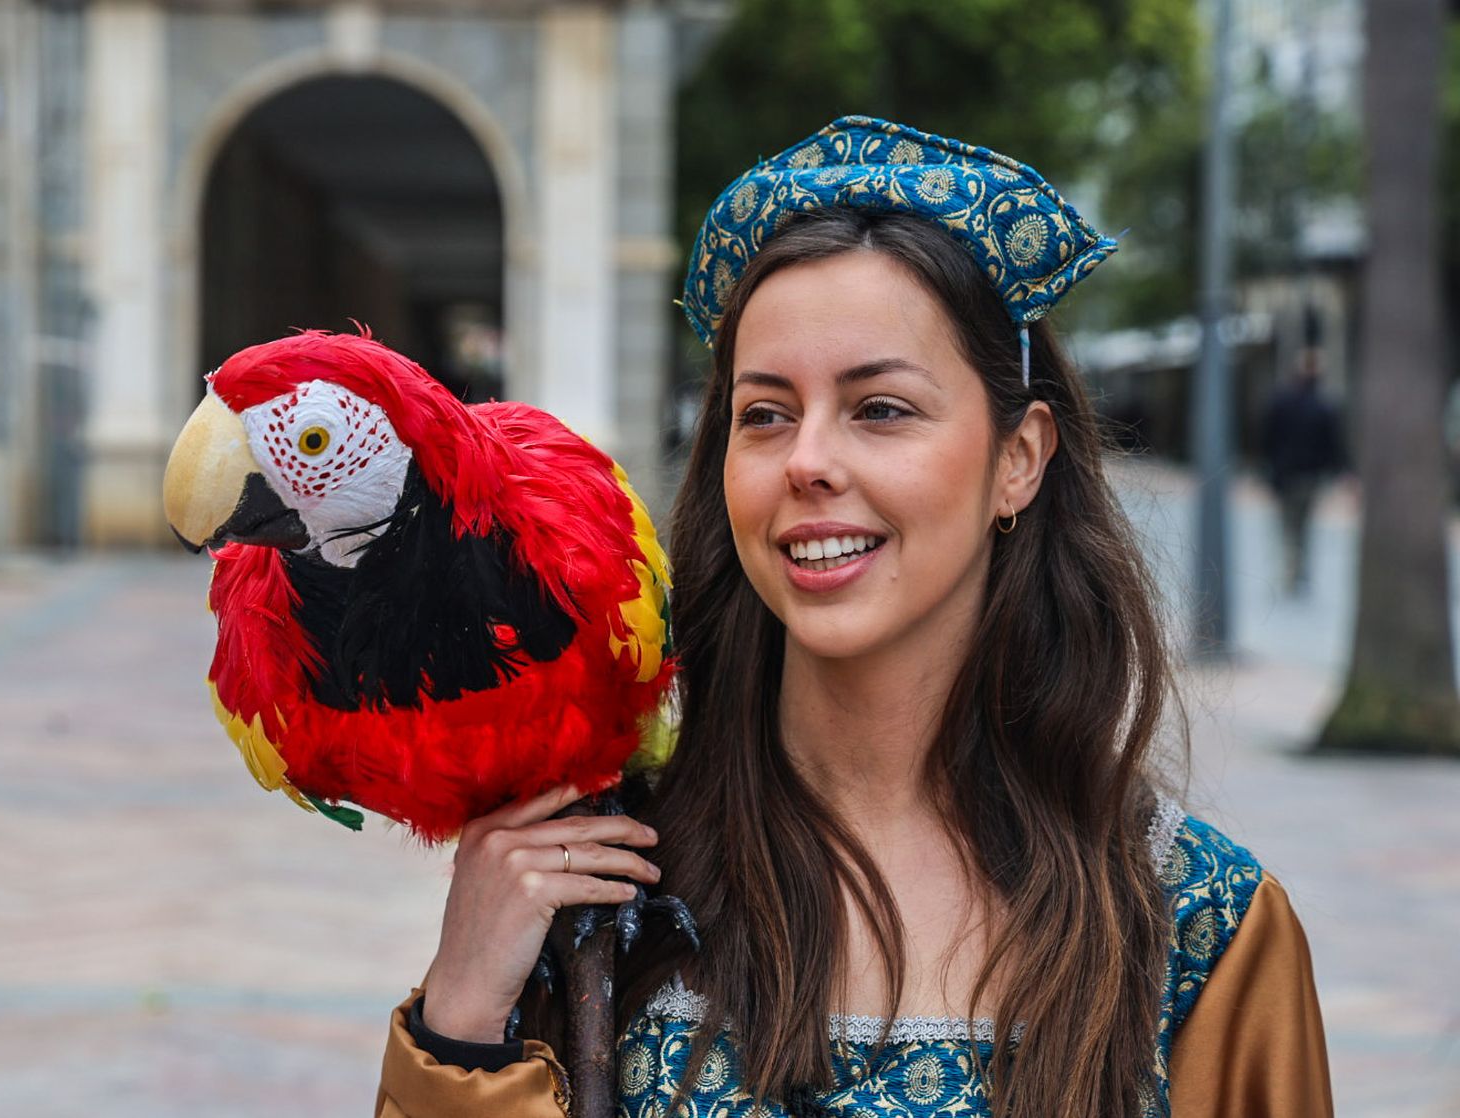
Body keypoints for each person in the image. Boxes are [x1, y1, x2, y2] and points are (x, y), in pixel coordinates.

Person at [375, 117, 1333, 1118]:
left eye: (880, 408)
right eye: (765, 413)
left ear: (1020, 456)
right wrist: (460, 1022)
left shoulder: (1196, 921)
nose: (806, 460)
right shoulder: (600, 878)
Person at [1261, 350, 1346, 593]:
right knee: (1303, 527)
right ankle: (1298, 571)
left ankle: (1292, 570)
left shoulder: (1282, 401)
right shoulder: (1324, 405)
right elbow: (1333, 445)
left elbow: (1267, 439)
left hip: (1286, 475)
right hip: (1309, 476)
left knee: (1288, 526)